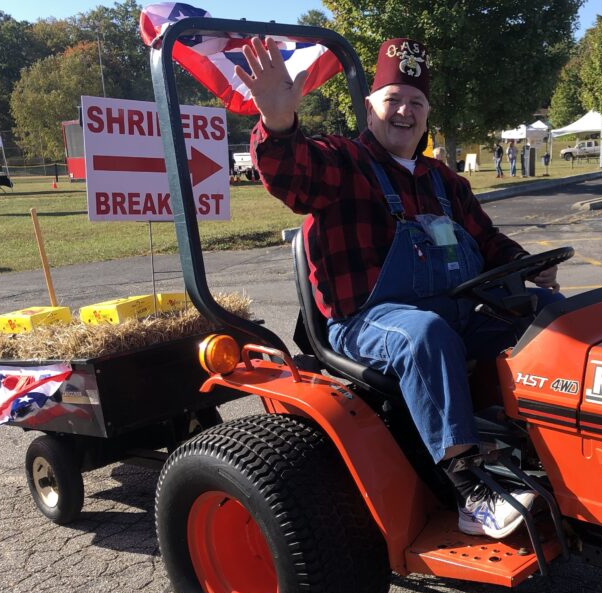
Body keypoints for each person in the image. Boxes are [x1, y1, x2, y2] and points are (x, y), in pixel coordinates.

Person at [237, 36, 561, 538]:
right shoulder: (342, 164)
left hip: (454, 312)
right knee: (423, 335)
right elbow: (292, 173)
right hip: (364, 321)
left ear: (427, 114)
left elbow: (488, 239)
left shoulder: (445, 182)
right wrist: (279, 124)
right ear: (370, 110)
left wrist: (529, 266)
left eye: (415, 102)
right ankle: (470, 490)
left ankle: (552, 445)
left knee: (544, 312)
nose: (404, 111)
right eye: (393, 100)